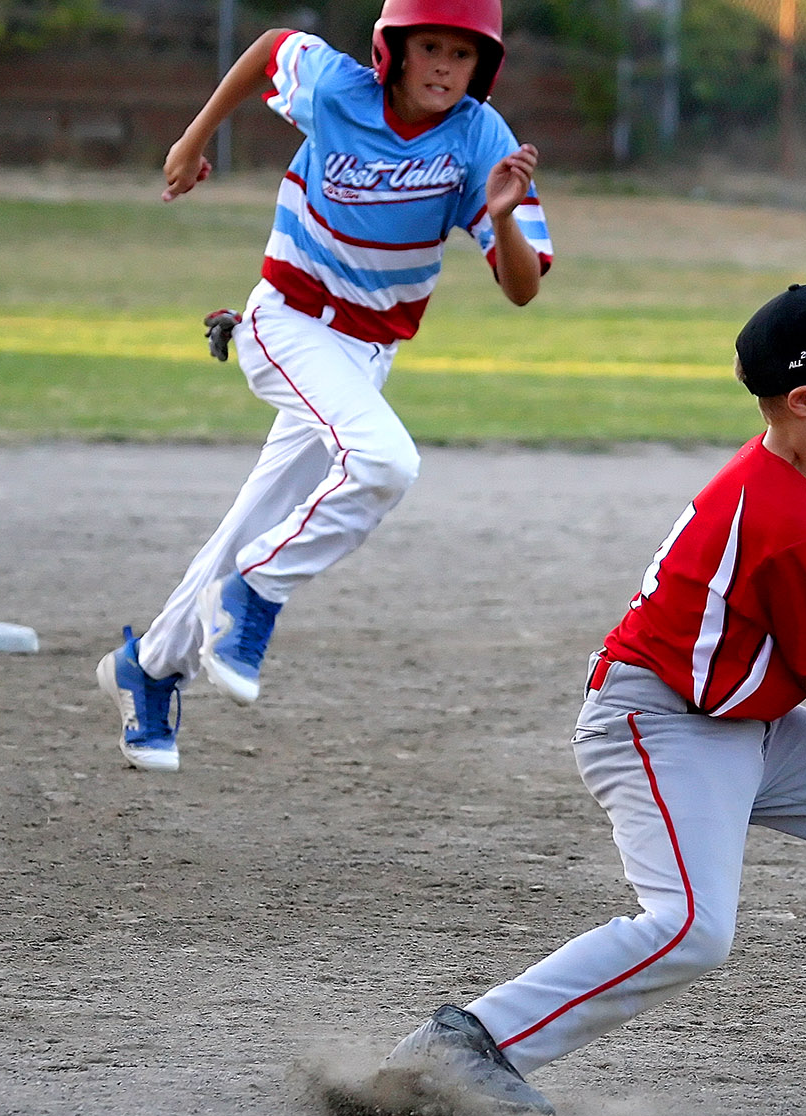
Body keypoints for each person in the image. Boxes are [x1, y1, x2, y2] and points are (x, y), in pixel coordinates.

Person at [372, 285, 806, 1116]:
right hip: (658, 725)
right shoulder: (780, 516)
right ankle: (465, 1042)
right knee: (691, 928)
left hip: (747, 721)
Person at [95, 0, 553, 771]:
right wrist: (193, 136)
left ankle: (147, 669)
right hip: (287, 323)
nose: (444, 66)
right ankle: (254, 592)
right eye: (429, 46)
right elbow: (271, 47)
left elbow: (522, 288)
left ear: (484, 66)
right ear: (394, 51)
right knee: (385, 462)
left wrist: (502, 218)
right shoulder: (338, 90)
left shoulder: (481, 139)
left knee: (260, 514)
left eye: (462, 54)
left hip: (366, 354)